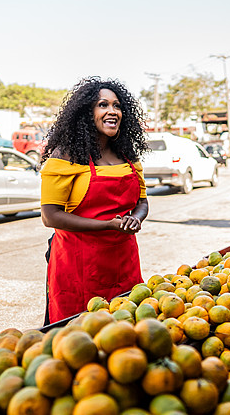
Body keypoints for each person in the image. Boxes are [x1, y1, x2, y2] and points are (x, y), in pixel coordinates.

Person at [40, 77, 150, 324]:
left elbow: (142, 201)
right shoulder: (67, 156)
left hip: (124, 260)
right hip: (78, 266)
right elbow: (50, 216)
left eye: (117, 106)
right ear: (86, 114)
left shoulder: (127, 156)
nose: (112, 111)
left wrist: (136, 217)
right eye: (103, 105)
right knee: (79, 337)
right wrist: (108, 225)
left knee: (127, 330)